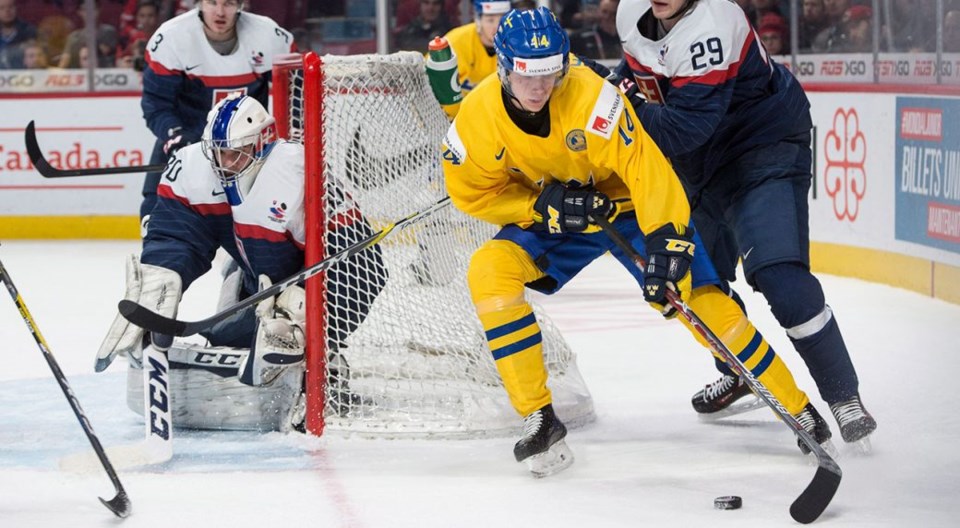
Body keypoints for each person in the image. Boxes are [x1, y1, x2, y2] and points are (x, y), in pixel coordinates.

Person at [442, 6, 832, 477]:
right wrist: (536, 206)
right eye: (528, 75)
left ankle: (797, 408)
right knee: (490, 270)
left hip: (627, 208)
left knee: (700, 298)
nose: (541, 88)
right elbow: (471, 194)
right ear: (503, 68)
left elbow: (645, 169)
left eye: (551, 73)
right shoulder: (477, 118)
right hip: (554, 215)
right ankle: (539, 416)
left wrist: (668, 242)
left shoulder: (594, 99)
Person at [614, 0, 877, 446]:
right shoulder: (632, 11)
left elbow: (682, 128)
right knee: (699, 284)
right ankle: (738, 371)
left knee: (778, 275)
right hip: (698, 163)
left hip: (760, 146)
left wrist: (616, 109)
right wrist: (614, 88)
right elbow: (639, 68)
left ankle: (842, 395)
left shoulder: (714, 25)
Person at [96, 94, 387, 431]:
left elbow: (365, 267)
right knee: (225, 340)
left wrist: (312, 323)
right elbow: (177, 234)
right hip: (256, 284)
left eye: (236, 152)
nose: (225, 163)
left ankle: (326, 364)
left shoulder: (302, 173)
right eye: (218, 152)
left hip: (299, 295)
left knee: (284, 337)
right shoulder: (192, 167)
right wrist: (163, 277)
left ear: (262, 143)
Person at [139, 0, 296, 231]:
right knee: (156, 215)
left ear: (241, 4)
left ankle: (250, 263)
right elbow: (156, 104)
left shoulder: (269, 36)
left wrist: (294, 138)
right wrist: (174, 135)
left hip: (248, 150)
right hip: (190, 141)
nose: (220, 12)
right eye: (212, 2)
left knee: (277, 217)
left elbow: (297, 92)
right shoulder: (172, 38)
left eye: (229, 3)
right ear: (199, 3)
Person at [0, 0, 37, 69]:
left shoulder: (29, 31)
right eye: (2, 8)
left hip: (23, 74)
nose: (7, 11)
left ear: (16, 8)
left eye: (10, 7)